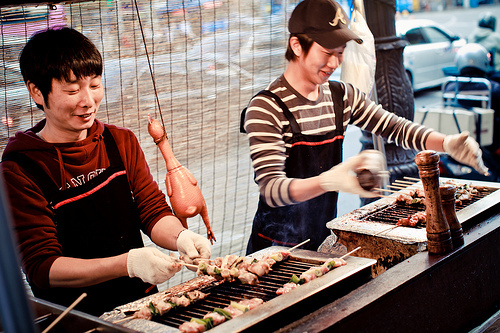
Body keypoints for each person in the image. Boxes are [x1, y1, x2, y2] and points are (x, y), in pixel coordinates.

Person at [242, 0, 489, 254]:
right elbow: (272, 189)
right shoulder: (267, 107)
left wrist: (447, 143)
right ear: (297, 45)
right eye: (327, 52)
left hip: (319, 243)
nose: (335, 63)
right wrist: (327, 181)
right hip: (272, 250)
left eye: (340, 52)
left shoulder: (341, 96)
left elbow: (396, 128)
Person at [0, 27, 211, 316]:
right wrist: (127, 264)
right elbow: (42, 267)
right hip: (76, 318)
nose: (88, 101)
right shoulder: (20, 168)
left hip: (143, 307)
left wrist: (180, 238)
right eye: (73, 90)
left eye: (95, 85)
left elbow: (151, 211)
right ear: (37, 91)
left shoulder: (120, 141)